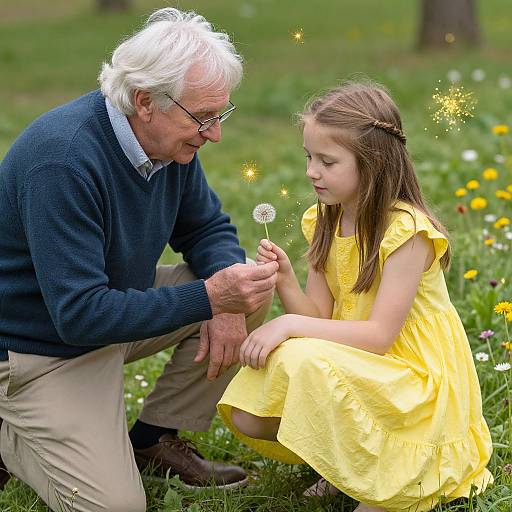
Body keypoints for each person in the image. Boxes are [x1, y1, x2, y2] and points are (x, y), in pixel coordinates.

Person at [0, 7, 278, 512]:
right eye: (203, 117)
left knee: (250, 288)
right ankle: (11, 433)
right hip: (38, 352)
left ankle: (153, 439)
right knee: (116, 508)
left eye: (221, 114)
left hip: (105, 315)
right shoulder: (62, 160)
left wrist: (227, 298)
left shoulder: (169, 146)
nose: (214, 133)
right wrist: (210, 297)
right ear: (146, 102)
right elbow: (79, 316)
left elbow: (207, 228)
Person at [217, 81, 493, 512]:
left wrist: (289, 325)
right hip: (368, 366)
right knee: (260, 402)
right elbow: (319, 317)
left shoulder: (406, 232)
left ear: (373, 164)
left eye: (327, 161)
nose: (311, 171)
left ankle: (401, 471)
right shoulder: (325, 219)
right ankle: (349, 463)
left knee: (300, 353)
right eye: (309, 157)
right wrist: (287, 280)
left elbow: (381, 336)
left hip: (416, 380)